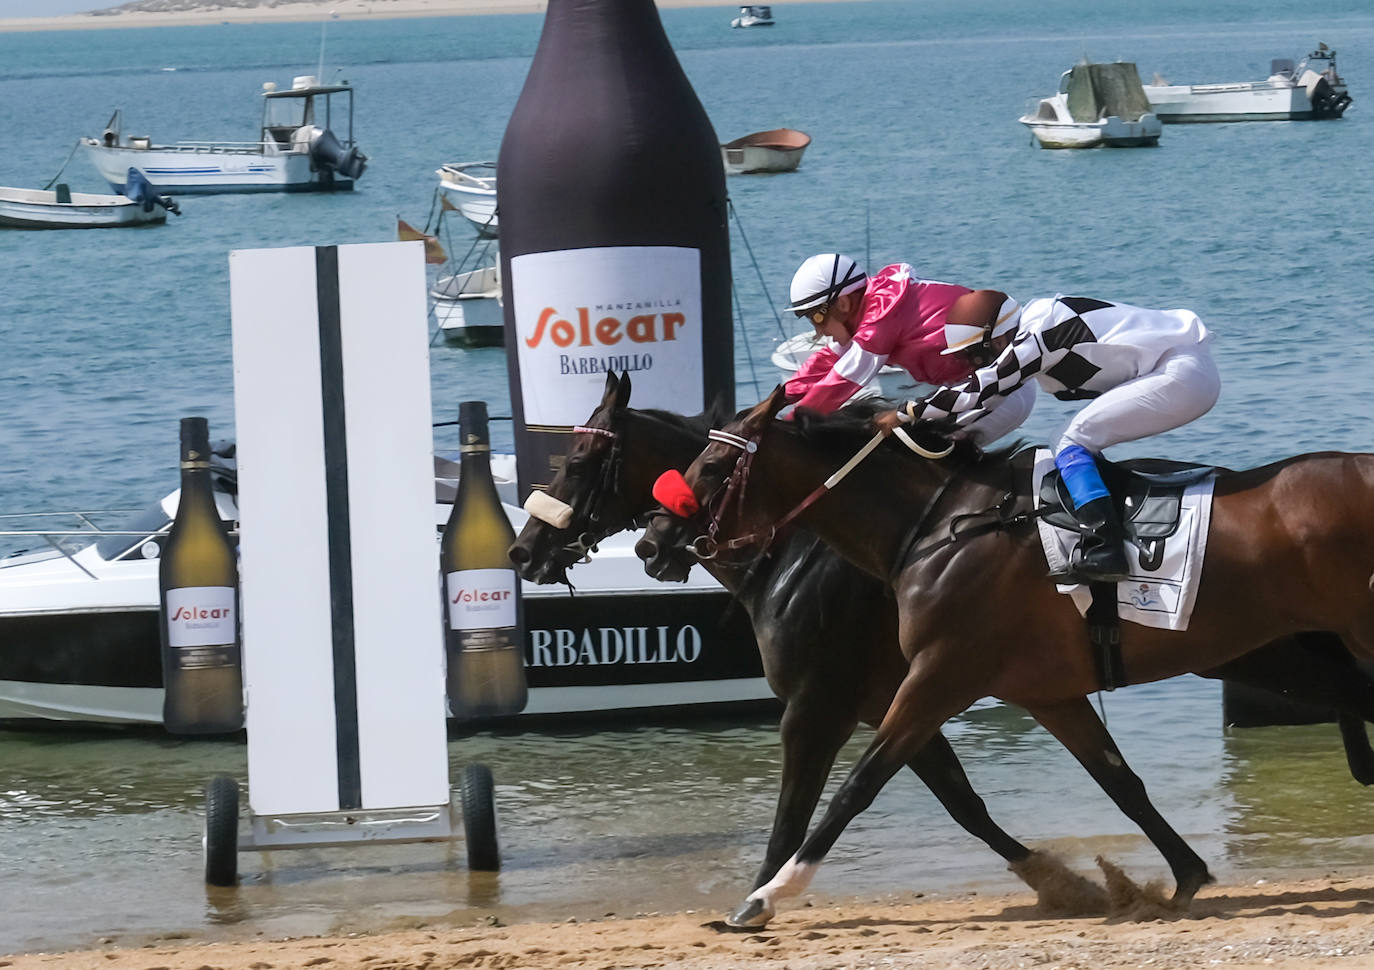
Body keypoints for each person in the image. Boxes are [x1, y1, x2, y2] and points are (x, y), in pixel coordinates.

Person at [875, 294, 1220, 582]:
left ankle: (1108, 547)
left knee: (1070, 441)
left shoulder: (1038, 334)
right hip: (1181, 371)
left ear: (996, 340)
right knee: (1074, 440)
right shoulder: (1034, 335)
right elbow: (987, 400)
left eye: (975, 354)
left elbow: (980, 391)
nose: (972, 364)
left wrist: (906, 412)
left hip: (1181, 374)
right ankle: (1110, 521)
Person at [783, 253, 1035, 444]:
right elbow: (827, 360)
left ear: (844, 303)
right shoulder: (876, 304)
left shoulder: (879, 320)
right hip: (976, 389)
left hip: (999, 391)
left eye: (816, 318)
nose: (819, 332)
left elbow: (839, 384)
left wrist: (788, 427)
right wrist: (777, 399)